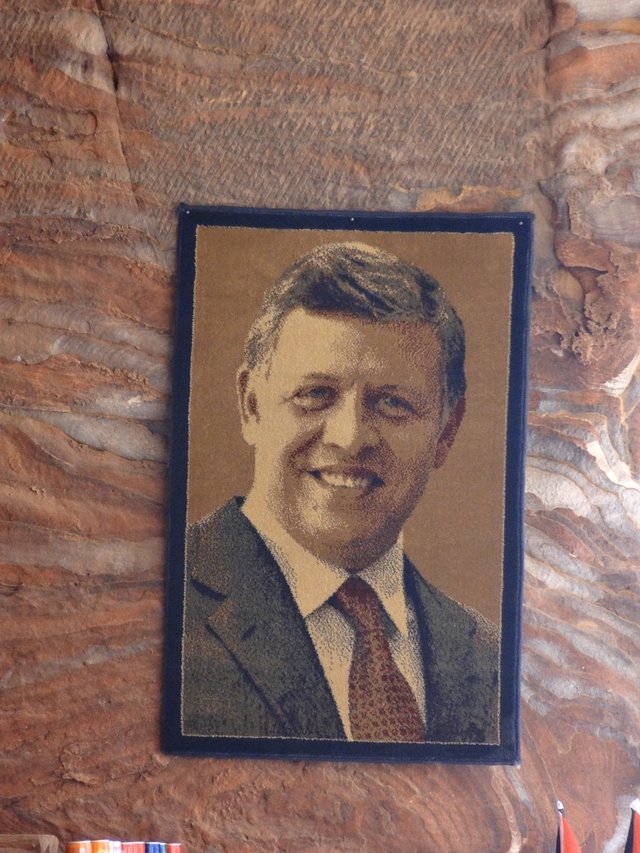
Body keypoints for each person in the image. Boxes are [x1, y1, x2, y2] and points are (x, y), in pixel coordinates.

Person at [183, 241, 499, 744]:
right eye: (315, 395)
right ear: (251, 406)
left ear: (446, 432)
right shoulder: (163, 601)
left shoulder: (486, 656)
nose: (349, 437)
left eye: (393, 403)